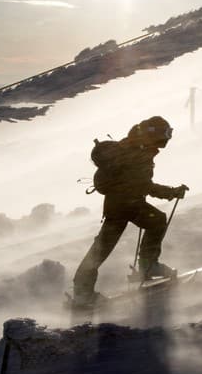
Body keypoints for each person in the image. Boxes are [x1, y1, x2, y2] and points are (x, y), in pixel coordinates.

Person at [72, 116, 189, 309]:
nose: (167, 138)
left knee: (103, 248)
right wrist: (172, 192)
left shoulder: (136, 147)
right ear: (154, 134)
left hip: (119, 204)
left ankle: (83, 292)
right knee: (155, 221)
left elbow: (139, 184)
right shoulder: (137, 151)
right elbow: (145, 185)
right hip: (127, 204)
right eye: (166, 133)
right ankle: (147, 267)